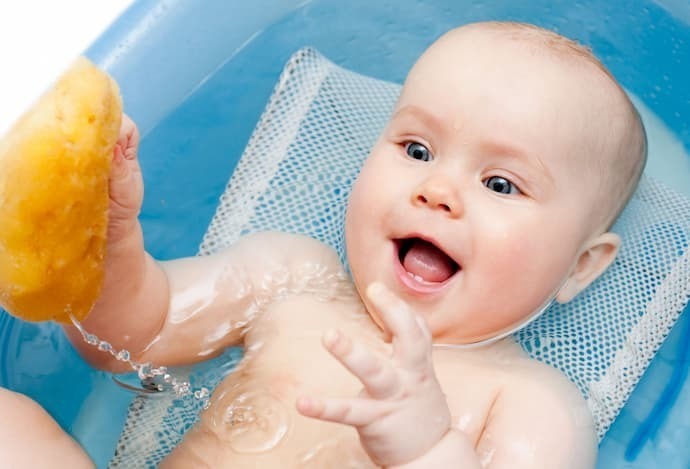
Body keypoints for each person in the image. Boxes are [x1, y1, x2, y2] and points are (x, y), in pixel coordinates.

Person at [66, 21, 647, 468]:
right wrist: (107, 242)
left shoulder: (530, 406)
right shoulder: (292, 279)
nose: (437, 190)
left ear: (581, 265)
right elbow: (127, 339)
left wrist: (428, 450)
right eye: (417, 150)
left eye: (501, 184)